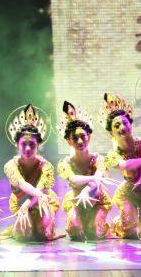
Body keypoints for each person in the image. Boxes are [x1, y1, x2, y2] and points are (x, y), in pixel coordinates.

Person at [100, 92, 141, 240]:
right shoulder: (113, 154)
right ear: (111, 132)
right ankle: (118, 223)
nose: (122, 127)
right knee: (131, 232)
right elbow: (125, 164)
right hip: (129, 193)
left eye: (125, 123)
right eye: (117, 125)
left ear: (130, 123)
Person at [57, 101, 112, 240]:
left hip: (97, 199)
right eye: (75, 138)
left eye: (83, 136)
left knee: (95, 233)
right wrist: (94, 178)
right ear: (69, 142)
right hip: (77, 200)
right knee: (75, 231)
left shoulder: (99, 160)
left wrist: (86, 191)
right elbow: (73, 179)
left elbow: (97, 182)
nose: (80, 141)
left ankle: (98, 224)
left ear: (89, 136)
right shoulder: (66, 163)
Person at [3, 104, 59, 241]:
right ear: (17, 145)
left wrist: (28, 204)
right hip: (21, 201)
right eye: (23, 144)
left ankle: (43, 225)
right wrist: (25, 205)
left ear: (38, 145)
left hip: (41, 201)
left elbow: (40, 190)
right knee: (24, 235)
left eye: (32, 144)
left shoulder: (46, 166)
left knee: (44, 234)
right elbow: (21, 184)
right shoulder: (11, 166)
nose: (28, 148)